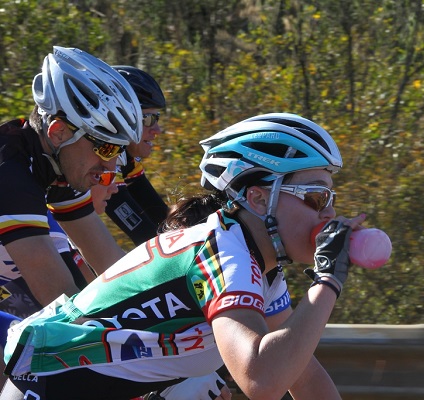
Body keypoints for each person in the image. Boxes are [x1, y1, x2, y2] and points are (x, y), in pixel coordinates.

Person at [0, 113, 364, 400]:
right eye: (316, 197)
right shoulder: (222, 254)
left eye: (331, 200)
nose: (329, 213)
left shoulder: (258, 266)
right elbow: (261, 379)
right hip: (47, 385)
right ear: (257, 199)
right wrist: (327, 281)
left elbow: (305, 377)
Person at [0, 46, 141, 310]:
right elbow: (60, 299)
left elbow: (114, 266)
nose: (110, 166)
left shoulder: (57, 165)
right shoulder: (10, 174)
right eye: (106, 148)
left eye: (118, 151)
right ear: (59, 132)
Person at [104, 66, 170, 246]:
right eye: (148, 119)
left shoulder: (125, 156)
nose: (157, 130)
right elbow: (145, 236)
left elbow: (162, 217)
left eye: (157, 118)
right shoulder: (101, 158)